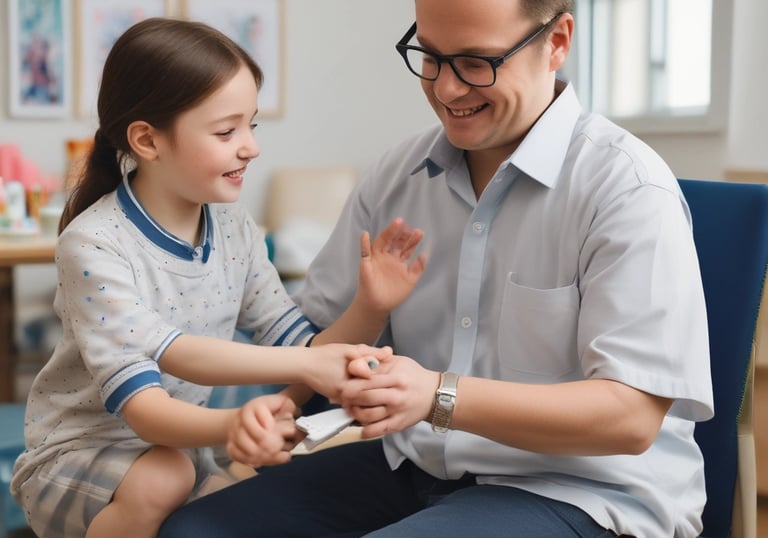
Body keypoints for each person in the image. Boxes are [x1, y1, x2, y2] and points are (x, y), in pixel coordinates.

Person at [158, 0, 714, 536]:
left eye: (477, 63)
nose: (446, 88)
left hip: (581, 489)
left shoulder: (626, 188)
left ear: (558, 42)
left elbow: (631, 417)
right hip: (416, 467)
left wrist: (435, 395)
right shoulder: (397, 177)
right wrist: (278, 407)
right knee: (194, 529)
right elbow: (316, 347)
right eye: (430, 56)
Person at [11, 17, 426, 538]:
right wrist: (236, 424)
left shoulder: (235, 229)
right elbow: (152, 400)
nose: (250, 146)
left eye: (252, 125)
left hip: (182, 452)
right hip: (77, 457)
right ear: (147, 140)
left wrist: (372, 306)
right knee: (165, 477)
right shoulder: (94, 244)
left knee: (234, 513)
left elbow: (304, 350)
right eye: (227, 131)